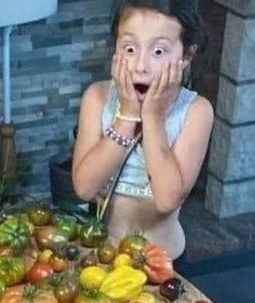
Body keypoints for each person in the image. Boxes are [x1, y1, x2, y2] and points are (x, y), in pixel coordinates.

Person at [72, 0, 214, 263]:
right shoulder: (97, 97)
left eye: (159, 52)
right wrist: (127, 116)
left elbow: (167, 200)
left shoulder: (196, 111)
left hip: (161, 264)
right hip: (102, 257)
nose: (140, 66)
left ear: (186, 56)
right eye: (129, 48)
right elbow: (84, 188)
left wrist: (152, 116)